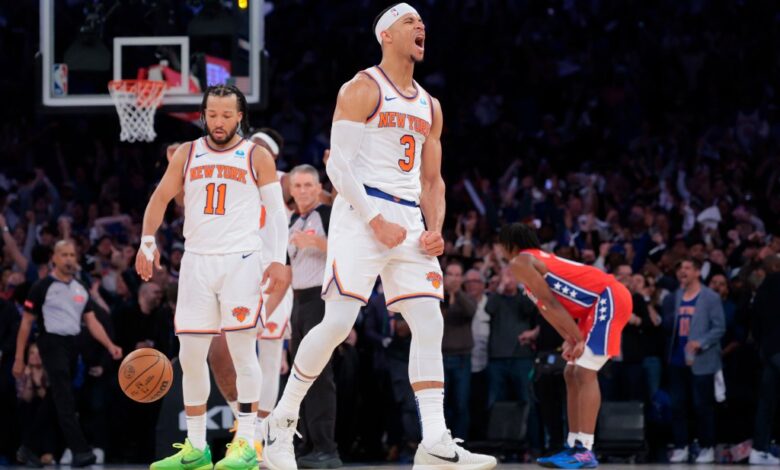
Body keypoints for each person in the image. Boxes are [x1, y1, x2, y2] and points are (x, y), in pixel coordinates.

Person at [261, 4, 496, 470]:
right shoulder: (362, 88)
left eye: (423, 23)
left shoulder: (431, 106)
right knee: (337, 323)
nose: (421, 27)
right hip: (360, 210)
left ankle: (435, 443)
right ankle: (282, 422)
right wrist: (373, 220)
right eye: (410, 22)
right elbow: (337, 165)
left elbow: (433, 181)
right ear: (386, 35)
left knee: (430, 322)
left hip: (408, 218)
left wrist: (435, 229)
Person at [135, 84, 288, 470]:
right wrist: (146, 242)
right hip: (197, 262)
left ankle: (247, 444)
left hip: (241, 260)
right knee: (190, 356)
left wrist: (277, 259)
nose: (218, 122)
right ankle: (196, 448)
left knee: (241, 352)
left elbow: (277, 213)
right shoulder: (187, 153)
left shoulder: (257, 155)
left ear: (240, 117)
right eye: (212, 114)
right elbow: (159, 198)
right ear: (204, 115)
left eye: (226, 115)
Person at [499, 223, 632, 469]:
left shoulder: (521, 261)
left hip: (608, 298)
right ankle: (574, 445)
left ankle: (585, 449)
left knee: (583, 371)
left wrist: (577, 337)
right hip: (593, 307)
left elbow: (551, 301)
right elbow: (547, 309)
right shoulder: (532, 263)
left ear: (509, 244)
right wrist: (570, 338)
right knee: (570, 372)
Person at [12, 240, 123, 468]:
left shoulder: (80, 287)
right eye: (64, 254)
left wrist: (110, 345)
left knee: (55, 398)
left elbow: (92, 322)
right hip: (50, 343)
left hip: (72, 346)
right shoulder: (42, 287)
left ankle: (28, 448)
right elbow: (25, 325)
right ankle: (80, 450)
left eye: (73, 254)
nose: (69, 259)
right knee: (64, 399)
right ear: (54, 257)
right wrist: (19, 358)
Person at [285, 163, 341, 468]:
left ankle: (327, 448)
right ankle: (305, 445)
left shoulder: (328, 215)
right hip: (298, 302)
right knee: (300, 377)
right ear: (291, 190)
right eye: (298, 186)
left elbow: (348, 251)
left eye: (309, 185)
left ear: (319, 187)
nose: (304, 191)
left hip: (322, 299)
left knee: (319, 375)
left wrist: (318, 243)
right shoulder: (292, 219)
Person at [663, 258, 725, 464]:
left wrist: (701, 342)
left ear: (698, 272)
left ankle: (707, 446)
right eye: (680, 268)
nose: (683, 271)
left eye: (688, 268)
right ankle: (681, 445)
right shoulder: (676, 296)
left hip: (702, 360)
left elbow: (719, 327)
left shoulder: (711, 297)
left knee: (702, 405)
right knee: (678, 405)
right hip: (678, 359)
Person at [748, 254, 780, 465]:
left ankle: (759, 449)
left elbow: (754, 321)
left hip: (768, 352)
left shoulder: (762, 289)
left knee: (766, 402)